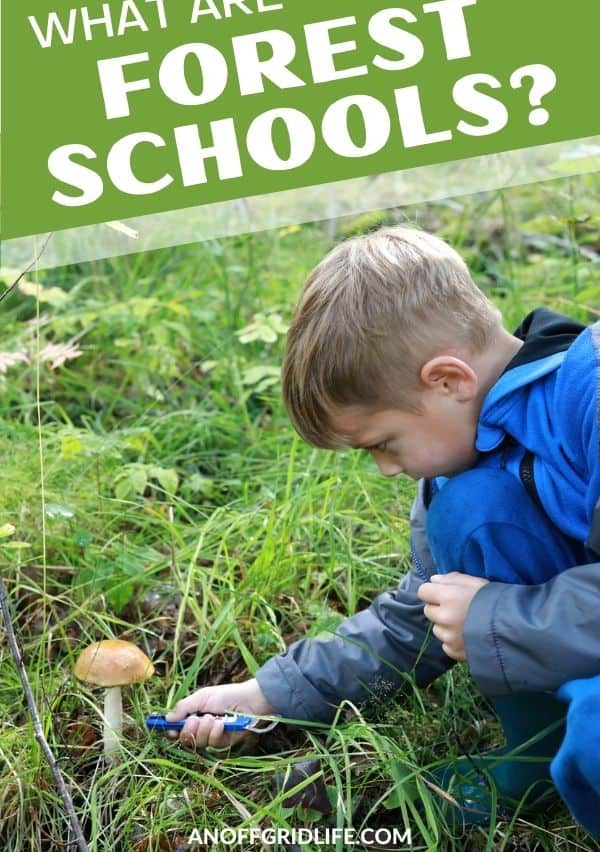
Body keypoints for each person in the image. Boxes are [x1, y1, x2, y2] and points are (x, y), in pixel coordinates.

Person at [165, 226, 600, 833]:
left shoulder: (592, 395)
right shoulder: (459, 463)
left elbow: (478, 617)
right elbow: (419, 616)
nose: (385, 468)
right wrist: (266, 694)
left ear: (448, 380)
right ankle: (533, 758)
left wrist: (499, 619)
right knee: (472, 507)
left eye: (384, 444)